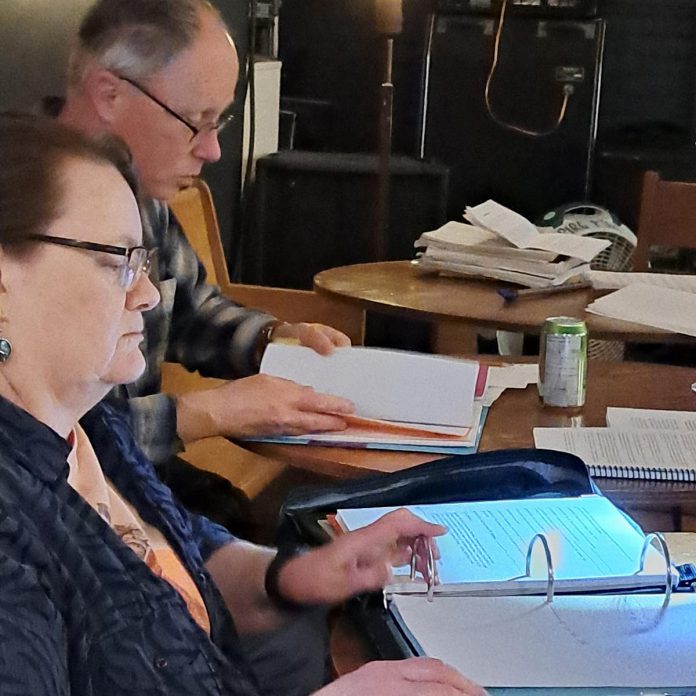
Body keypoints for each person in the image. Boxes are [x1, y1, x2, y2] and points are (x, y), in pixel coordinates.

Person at [0, 113, 485, 696]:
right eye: (115, 261)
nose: (148, 294)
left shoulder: (90, 424)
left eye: (143, 262)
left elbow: (179, 564)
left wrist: (295, 574)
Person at [57, 0, 356, 478]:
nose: (213, 150)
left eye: (220, 122)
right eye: (196, 122)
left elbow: (191, 312)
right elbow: (46, 441)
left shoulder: (142, 194)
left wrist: (274, 341)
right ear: (109, 95)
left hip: (140, 479)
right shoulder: (22, 219)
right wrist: (214, 411)